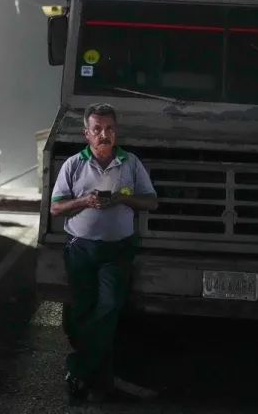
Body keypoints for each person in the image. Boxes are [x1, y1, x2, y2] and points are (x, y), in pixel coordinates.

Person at [49, 102, 158, 404]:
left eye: (109, 129)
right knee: (84, 313)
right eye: (97, 129)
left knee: (108, 308)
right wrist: (85, 201)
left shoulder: (131, 163)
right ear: (86, 133)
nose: (104, 135)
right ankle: (101, 383)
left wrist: (125, 198)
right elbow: (56, 207)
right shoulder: (73, 165)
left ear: (116, 131)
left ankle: (77, 368)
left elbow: (151, 202)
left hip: (117, 251)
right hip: (80, 249)